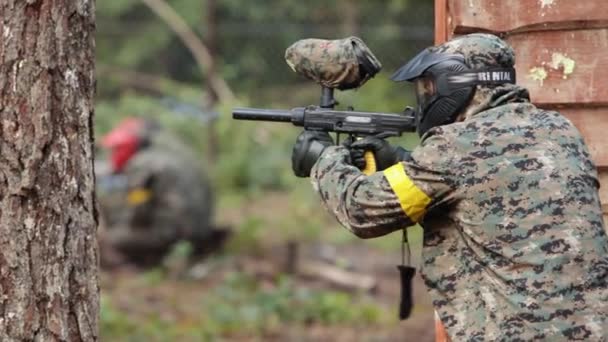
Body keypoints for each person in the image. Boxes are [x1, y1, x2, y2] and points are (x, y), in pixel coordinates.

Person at [291, 33, 608, 340]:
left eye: (428, 87)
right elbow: (489, 185)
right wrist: (404, 160)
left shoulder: (456, 147)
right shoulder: (560, 130)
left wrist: (323, 160)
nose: (425, 96)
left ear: (455, 85)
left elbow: (362, 209)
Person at [97, 117, 215, 267]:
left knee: (107, 240)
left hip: (174, 234)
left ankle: (128, 268)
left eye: (116, 149)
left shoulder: (142, 164)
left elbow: (138, 212)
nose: (113, 155)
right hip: (201, 230)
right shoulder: (172, 154)